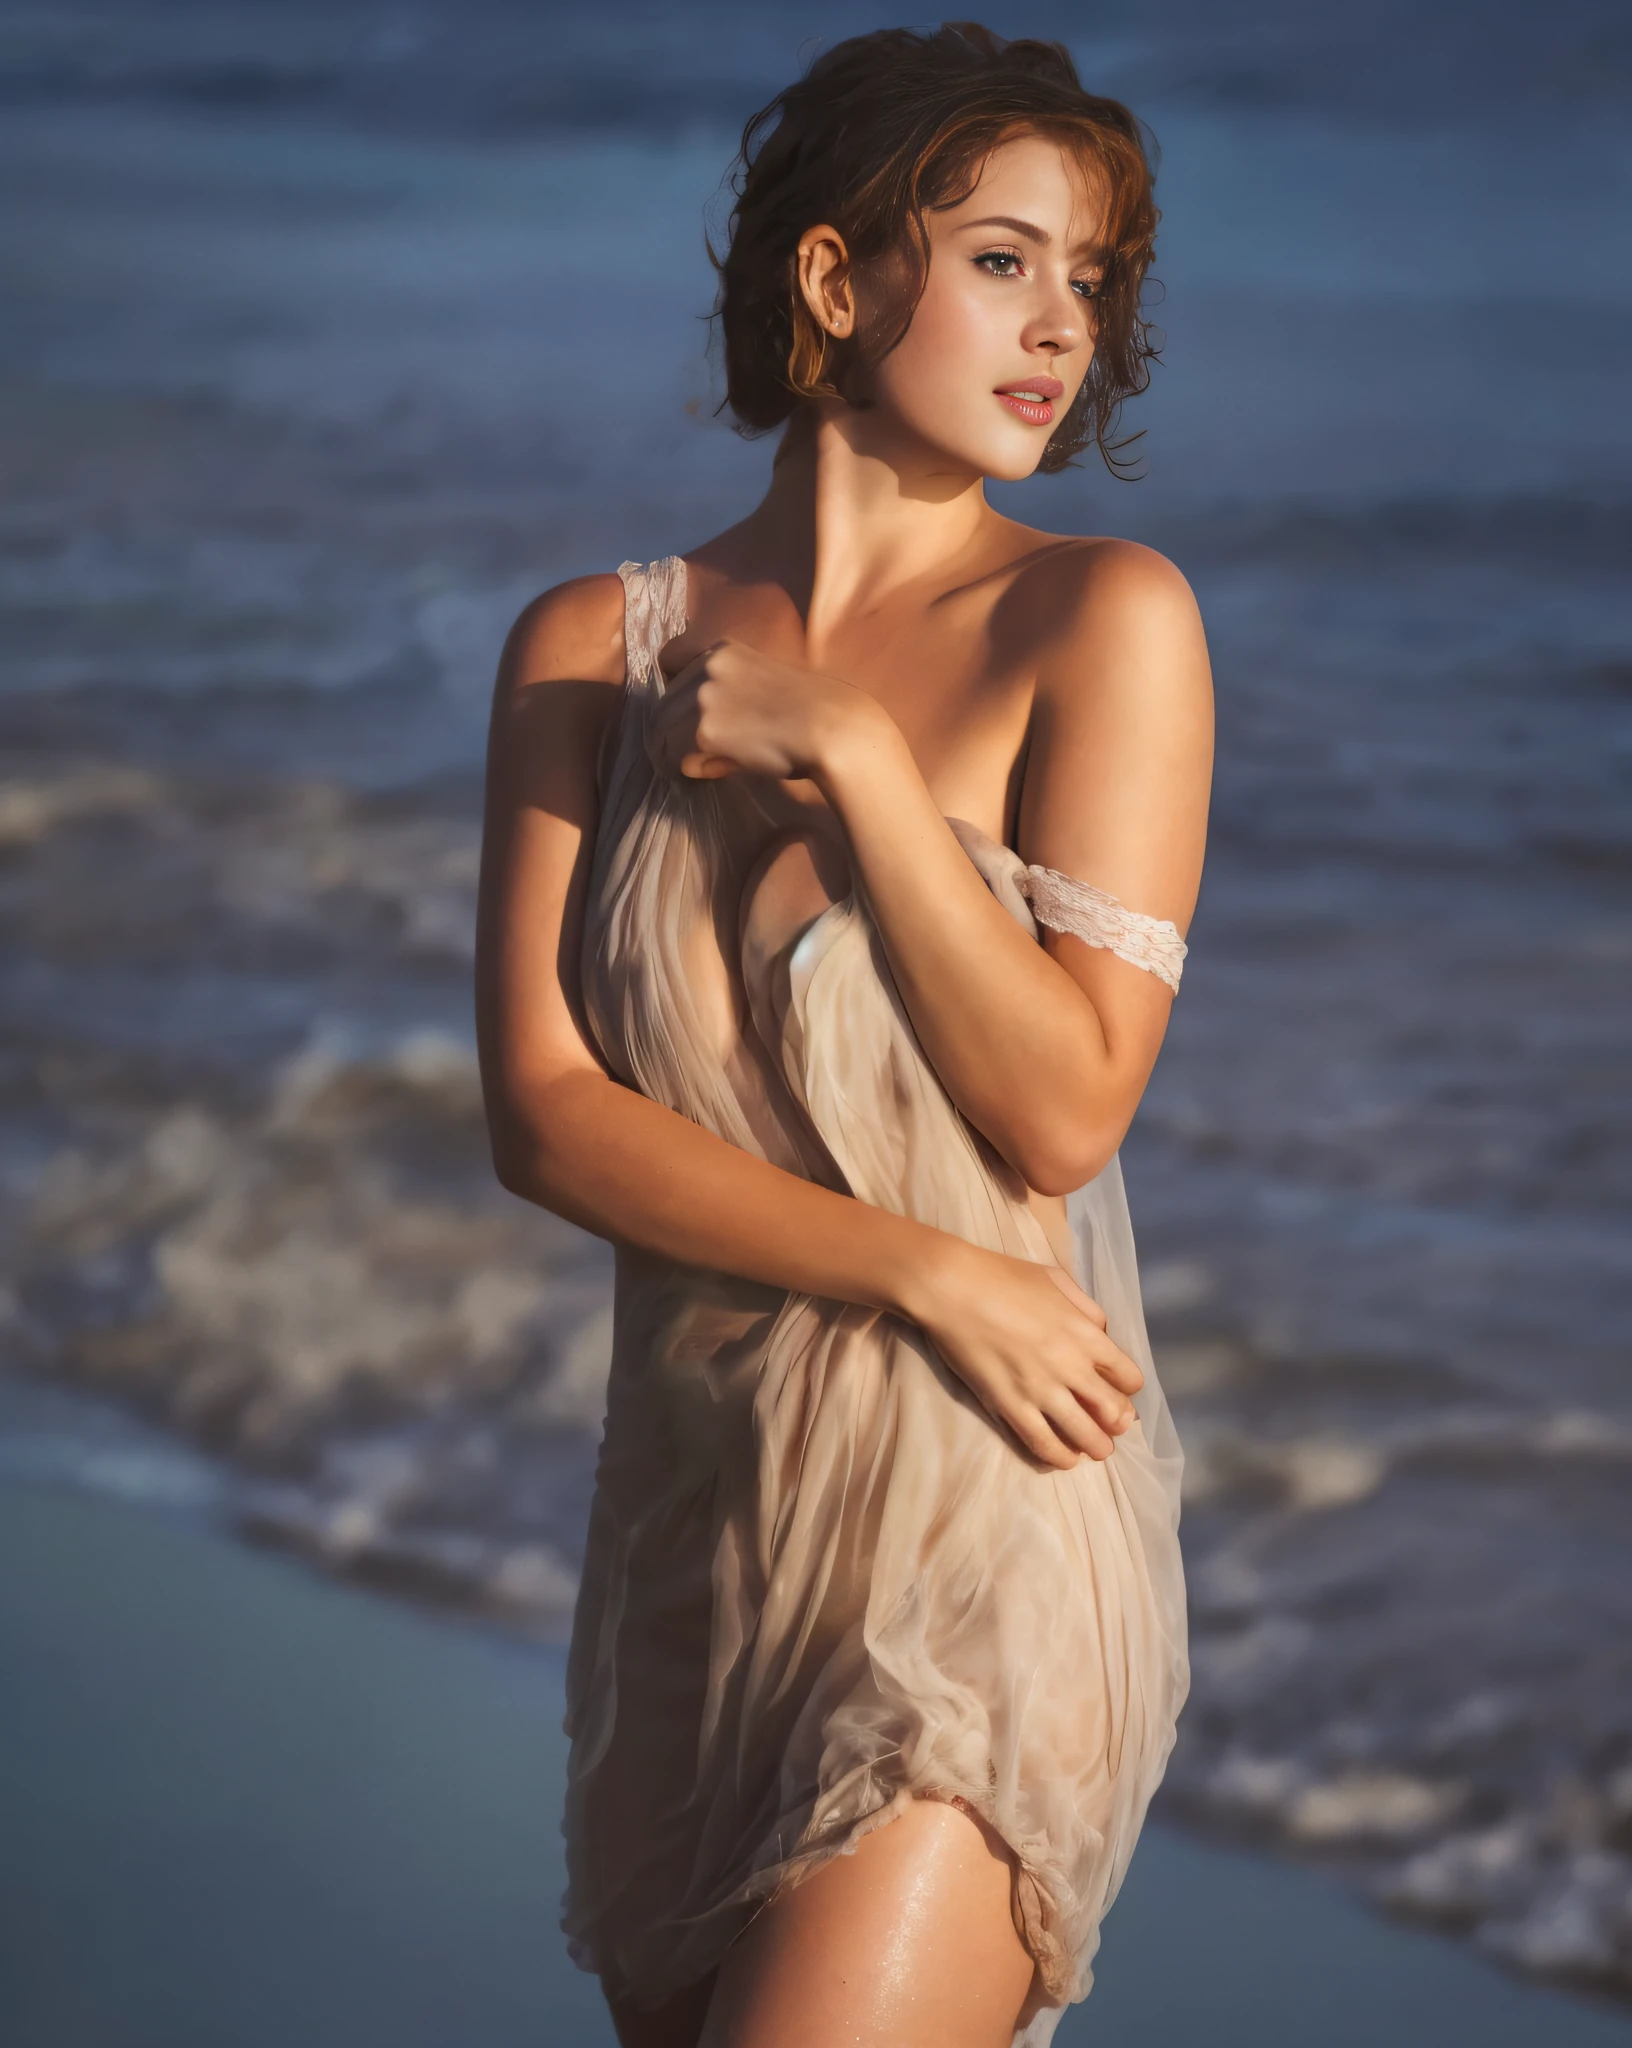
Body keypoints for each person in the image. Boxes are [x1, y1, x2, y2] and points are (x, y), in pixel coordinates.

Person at [475, 23, 1212, 2048]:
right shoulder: (587, 650)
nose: (1065, 323)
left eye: (1095, 276)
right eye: (1004, 258)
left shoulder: (1103, 620)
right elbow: (544, 1113)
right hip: (698, 1556)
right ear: (834, 281)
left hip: (989, 1526)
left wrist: (873, 779)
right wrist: (923, 1270)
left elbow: (1065, 1107)